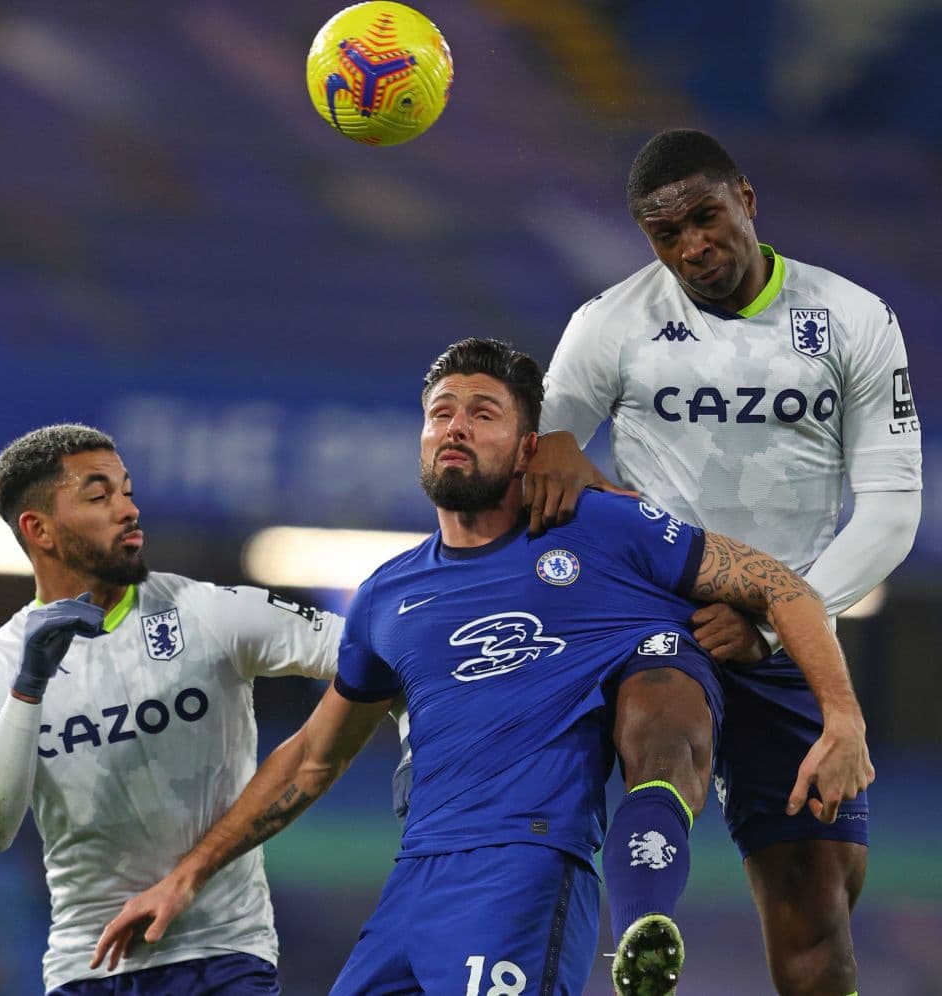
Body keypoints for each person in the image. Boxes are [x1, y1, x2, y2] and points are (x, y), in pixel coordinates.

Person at [92, 339, 872, 996]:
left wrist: (841, 717)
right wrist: (188, 873)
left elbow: (778, 583)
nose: (455, 428)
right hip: (411, 887)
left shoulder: (602, 530)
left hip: (526, 873)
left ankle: (645, 912)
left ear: (530, 446)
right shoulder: (389, 594)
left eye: (482, 413)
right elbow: (310, 760)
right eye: (441, 414)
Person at [524, 129, 922, 996]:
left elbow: (892, 506)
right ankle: (642, 934)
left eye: (706, 218)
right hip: (662, 616)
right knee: (664, 740)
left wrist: (777, 619)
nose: (693, 248)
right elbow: (543, 458)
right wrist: (606, 501)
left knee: (816, 902)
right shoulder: (610, 324)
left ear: (746, 197)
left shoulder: (852, 319)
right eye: (666, 236)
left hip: (790, 629)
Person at [0, 423, 343, 995]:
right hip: (85, 970)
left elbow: (370, 651)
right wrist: (29, 684)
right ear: (40, 530)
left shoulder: (207, 612)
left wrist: (410, 731)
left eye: (127, 490)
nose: (128, 510)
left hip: (222, 958)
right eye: (98, 496)